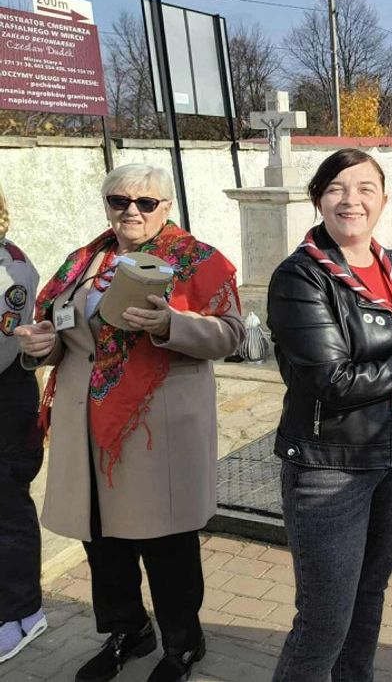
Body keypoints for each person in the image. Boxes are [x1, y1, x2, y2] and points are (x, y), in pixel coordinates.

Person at [15, 164, 243, 682]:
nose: (131, 211)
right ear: (107, 206)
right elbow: (62, 332)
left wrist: (170, 324)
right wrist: (43, 346)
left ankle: (183, 643)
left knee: (165, 543)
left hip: (153, 426)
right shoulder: (83, 262)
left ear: (166, 207)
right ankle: (127, 630)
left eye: (145, 202)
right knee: (103, 541)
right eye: (120, 201)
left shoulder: (197, 262)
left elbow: (229, 335)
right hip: (87, 426)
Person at [267, 149, 392, 680]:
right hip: (330, 464)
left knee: (367, 598)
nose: (350, 199)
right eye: (336, 187)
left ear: (383, 199)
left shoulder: (382, 264)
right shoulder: (301, 278)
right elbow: (330, 382)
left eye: (365, 188)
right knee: (324, 620)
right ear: (318, 199)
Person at [0, 185, 47, 664]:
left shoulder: (10, 266)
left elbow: (4, 343)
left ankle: (24, 614)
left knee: (7, 508)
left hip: (6, 400)